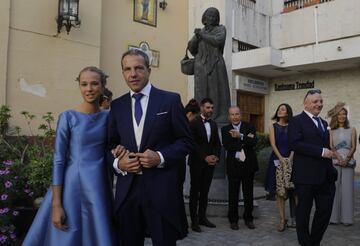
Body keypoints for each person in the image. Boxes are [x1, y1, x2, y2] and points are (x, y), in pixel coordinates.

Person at [108, 49, 193, 246]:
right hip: (127, 191)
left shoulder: (169, 100)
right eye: (127, 69)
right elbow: (109, 144)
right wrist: (118, 163)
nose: (133, 74)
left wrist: (161, 157)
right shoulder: (117, 105)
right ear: (122, 72)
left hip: (162, 191)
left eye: (138, 68)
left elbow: (186, 141)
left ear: (149, 70)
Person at [23, 67, 116, 245]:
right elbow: (59, 159)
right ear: (79, 87)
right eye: (84, 84)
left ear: (103, 87)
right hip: (71, 187)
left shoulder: (110, 117)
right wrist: (56, 204)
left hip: (100, 186)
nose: (89, 88)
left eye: (95, 83)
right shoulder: (68, 117)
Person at [288, 89, 338, 246]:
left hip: (325, 178)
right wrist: (322, 151)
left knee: (324, 212)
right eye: (315, 101)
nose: (319, 104)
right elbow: (295, 144)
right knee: (303, 213)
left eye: (321, 101)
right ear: (306, 103)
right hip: (305, 177)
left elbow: (327, 147)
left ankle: (314, 242)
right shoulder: (296, 121)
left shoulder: (323, 123)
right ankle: (305, 243)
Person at [187, 7, 230, 122]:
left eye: (214, 16)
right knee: (201, 92)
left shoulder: (221, 29)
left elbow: (218, 41)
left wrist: (201, 35)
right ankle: (201, 117)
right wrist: (196, 37)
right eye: (209, 15)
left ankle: (217, 117)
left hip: (216, 65)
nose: (211, 18)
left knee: (216, 90)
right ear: (204, 18)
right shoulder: (200, 32)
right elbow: (191, 49)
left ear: (217, 19)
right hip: (200, 67)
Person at [221, 106, 258, 230]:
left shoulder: (250, 126)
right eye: (232, 114)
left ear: (241, 115)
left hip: (249, 165)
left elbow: (254, 142)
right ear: (229, 116)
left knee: (248, 194)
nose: (235, 117)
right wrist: (245, 140)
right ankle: (233, 220)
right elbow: (227, 146)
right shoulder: (225, 129)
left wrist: (240, 136)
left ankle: (248, 218)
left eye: (237, 114)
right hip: (234, 166)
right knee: (233, 194)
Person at [188, 98, 221, 232]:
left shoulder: (213, 124)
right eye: (208, 107)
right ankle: (194, 221)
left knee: (205, 192)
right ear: (202, 108)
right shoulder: (193, 123)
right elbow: (192, 144)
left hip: (210, 164)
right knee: (194, 191)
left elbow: (217, 144)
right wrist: (204, 157)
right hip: (196, 162)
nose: (210, 110)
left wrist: (215, 156)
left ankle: (202, 217)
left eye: (212, 108)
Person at [265, 103, 297, 231]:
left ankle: (297, 218)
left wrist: (289, 159)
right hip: (277, 160)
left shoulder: (293, 127)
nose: (279, 111)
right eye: (278, 109)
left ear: (288, 112)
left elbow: (295, 144)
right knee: (280, 192)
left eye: (282, 109)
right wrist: (281, 159)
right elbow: (273, 144)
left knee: (295, 191)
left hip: (292, 160)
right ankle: (283, 220)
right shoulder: (272, 126)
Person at [327, 102, 357, 226]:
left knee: (347, 190)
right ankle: (334, 218)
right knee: (335, 189)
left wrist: (346, 158)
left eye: (344, 114)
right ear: (336, 116)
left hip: (348, 162)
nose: (342, 116)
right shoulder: (331, 131)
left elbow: (354, 146)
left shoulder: (352, 129)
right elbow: (331, 146)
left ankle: (347, 219)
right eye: (340, 114)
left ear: (346, 115)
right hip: (335, 161)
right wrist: (339, 158)